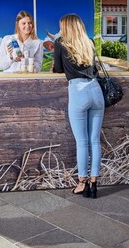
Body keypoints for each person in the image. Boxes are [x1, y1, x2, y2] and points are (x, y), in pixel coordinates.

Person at [52, 14, 105, 198]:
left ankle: (82, 183)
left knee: (82, 142)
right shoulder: (89, 41)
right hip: (96, 91)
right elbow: (94, 68)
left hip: (78, 92)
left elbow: (58, 68)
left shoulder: (60, 42)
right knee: (95, 141)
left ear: (66, 27)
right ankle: (94, 183)